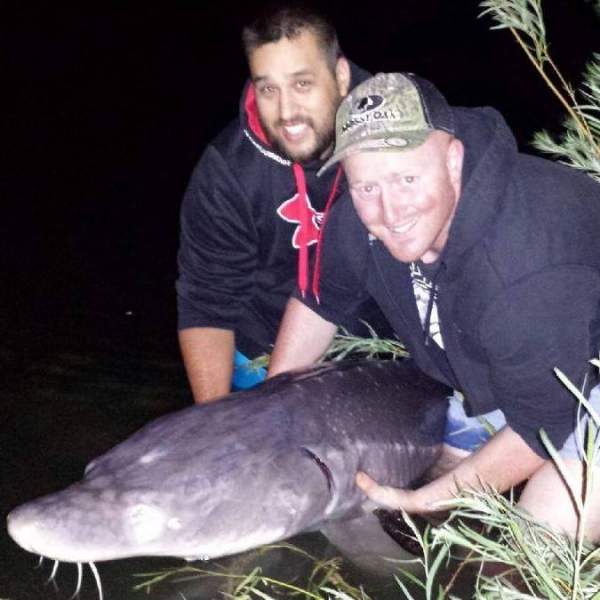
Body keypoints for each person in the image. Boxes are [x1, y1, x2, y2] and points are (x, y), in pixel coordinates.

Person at [268, 72, 600, 542]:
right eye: (367, 187)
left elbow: (541, 423)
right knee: (438, 474)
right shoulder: (358, 220)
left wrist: (426, 500)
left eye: (407, 178)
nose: (389, 211)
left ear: (453, 159)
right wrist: (268, 414)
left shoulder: (524, 268)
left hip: (577, 359)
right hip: (529, 362)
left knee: (540, 533)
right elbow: (321, 304)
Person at [176, 3, 389, 403]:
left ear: (340, 76)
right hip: (261, 348)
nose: (286, 111)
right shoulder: (227, 171)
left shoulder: (393, 141)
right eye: (268, 89)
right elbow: (206, 303)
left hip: (380, 352)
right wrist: (218, 421)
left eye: (302, 84)